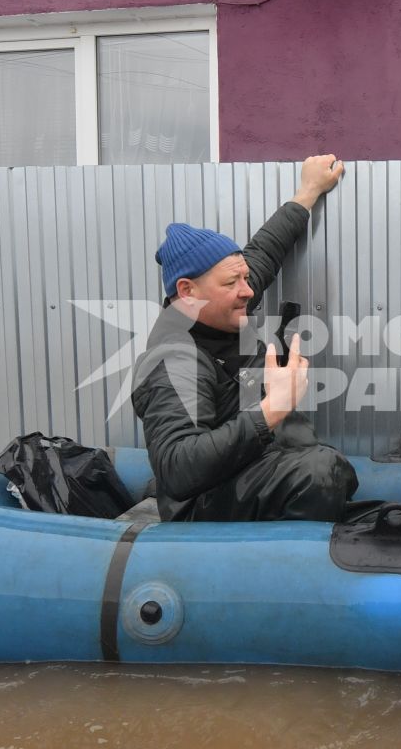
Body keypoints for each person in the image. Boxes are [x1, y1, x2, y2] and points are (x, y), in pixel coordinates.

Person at [130, 154, 357, 523]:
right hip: (197, 507)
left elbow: (264, 249)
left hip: (247, 468)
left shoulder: (220, 306)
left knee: (326, 465)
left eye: (245, 278)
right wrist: (272, 409)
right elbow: (175, 467)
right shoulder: (175, 359)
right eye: (232, 283)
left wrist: (308, 191)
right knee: (321, 472)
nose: (248, 290)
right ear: (187, 291)